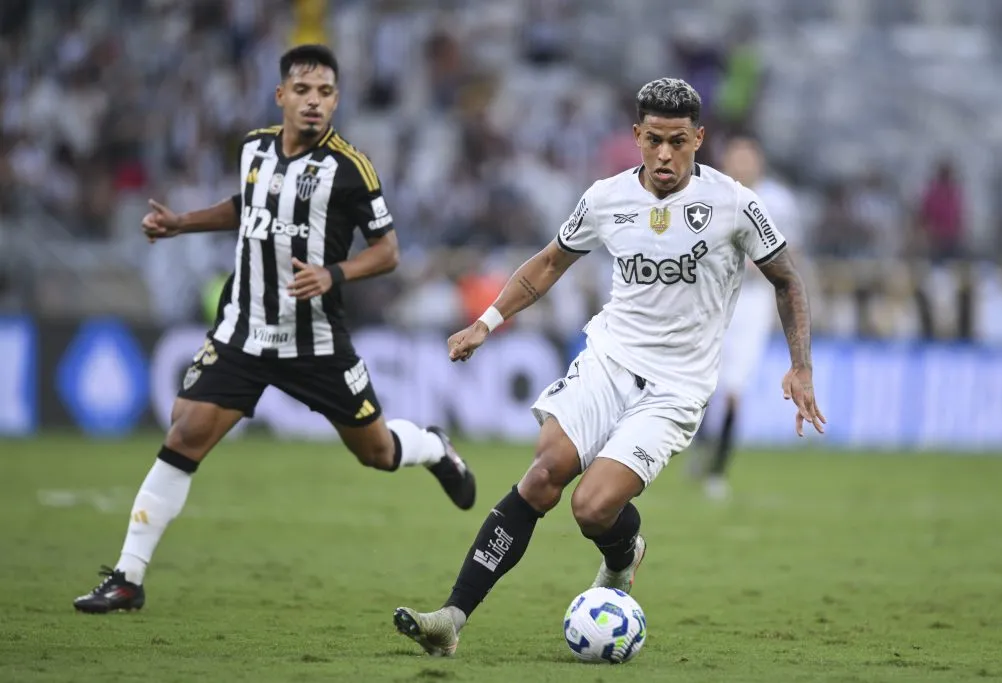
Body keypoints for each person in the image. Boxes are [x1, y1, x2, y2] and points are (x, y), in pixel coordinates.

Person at [392, 77, 826, 656]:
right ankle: (451, 618)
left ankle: (625, 554)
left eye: (678, 141)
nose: (665, 155)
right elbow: (546, 265)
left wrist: (801, 367)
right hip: (609, 359)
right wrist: (487, 322)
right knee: (545, 473)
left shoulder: (737, 206)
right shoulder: (605, 198)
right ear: (636, 137)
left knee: (592, 507)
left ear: (699, 138)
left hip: (676, 386)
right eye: (653, 141)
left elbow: (787, 280)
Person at [73, 44, 476, 614]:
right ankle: (128, 578)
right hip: (243, 329)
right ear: (281, 95)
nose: (315, 102)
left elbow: (388, 252)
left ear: (336, 100)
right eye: (304, 91)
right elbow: (247, 205)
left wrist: (333, 273)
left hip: (314, 341)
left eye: (326, 93)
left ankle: (434, 448)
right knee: (185, 433)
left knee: (377, 451)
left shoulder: (351, 170)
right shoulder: (254, 148)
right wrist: (182, 223)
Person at [692, 135, 803, 500]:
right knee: (702, 381)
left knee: (735, 388)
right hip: (714, 298)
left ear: (759, 162)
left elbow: (791, 251)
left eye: (748, 157)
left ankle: (716, 468)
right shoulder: (708, 193)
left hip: (752, 303)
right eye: (736, 157)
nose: (742, 164)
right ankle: (699, 444)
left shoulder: (778, 202)